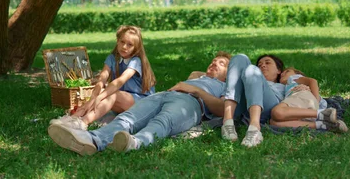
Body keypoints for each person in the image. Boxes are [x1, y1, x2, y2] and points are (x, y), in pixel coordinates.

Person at [48, 52, 231, 156]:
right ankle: (92, 139)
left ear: (229, 73)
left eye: (221, 63)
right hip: (164, 95)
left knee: (163, 121)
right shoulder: (198, 77)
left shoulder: (226, 86)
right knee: (127, 118)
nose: (214, 64)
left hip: (191, 103)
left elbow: (222, 110)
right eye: (213, 61)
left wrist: (195, 90)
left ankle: (135, 142)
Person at [52, 25, 156, 130]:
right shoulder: (112, 58)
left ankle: (83, 123)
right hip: (124, 102)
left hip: (143, 103)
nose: (124, 47)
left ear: (136, 48)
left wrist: (100, 97)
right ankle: (73, 118)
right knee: (100, 92)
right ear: (117, 41)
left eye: (130, 45)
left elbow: (119, 82)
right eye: (122, 42)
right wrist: (92, 99)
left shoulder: (136, 61)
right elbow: (101, 80)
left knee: (111, 95)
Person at [221, 54, 289, 147]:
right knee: (240, 57)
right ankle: (227, 122)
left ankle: (254, 128)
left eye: (267, 63)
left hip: (269, 107)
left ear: (279, 70)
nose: (263, 65)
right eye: (260, 65)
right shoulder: (246, 76)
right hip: (242, 106)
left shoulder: (285, 85)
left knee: (252, 70)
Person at [270, 68, 348, 133]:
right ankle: (324, 125)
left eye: (287, 71)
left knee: (277, 112)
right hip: (305, 110)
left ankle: (324, 114)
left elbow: (312, 81)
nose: (282, 74)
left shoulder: (293, 78)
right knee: (274, 122)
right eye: (281, 74)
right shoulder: (285, 87)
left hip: (301, 96)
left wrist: (315, 100)